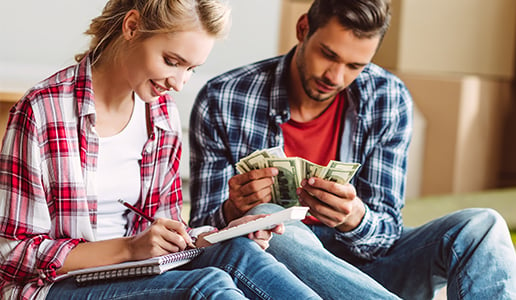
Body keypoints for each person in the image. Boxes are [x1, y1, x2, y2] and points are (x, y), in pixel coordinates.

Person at [189, 0, 516, 299]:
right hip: (283, 277)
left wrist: (354, 218)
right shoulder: (224, 98)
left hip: (372, 271)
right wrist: (235, 211)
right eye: (328, 55)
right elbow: (203, 239)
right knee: (266, 220)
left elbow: (386, 234)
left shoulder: (387, 98)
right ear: (303, 28)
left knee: (482, 226)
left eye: (355, 66)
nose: (335, 77)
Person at [0, 1, 322, 299]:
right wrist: (129, 249)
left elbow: (165, 234)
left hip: (135, 273)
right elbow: (11, 253)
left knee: (241, 254)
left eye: (191, 69)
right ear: (132, 26)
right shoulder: (42, 111)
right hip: (55, 286)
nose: (179, 83)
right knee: (206, 288)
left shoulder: (161, 113)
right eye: (172, 61)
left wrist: (219, 234)